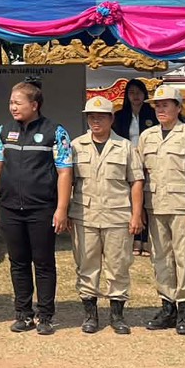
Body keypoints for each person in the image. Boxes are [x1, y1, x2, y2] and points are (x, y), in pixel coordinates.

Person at [0, 81, 72, 335]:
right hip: (10, 208)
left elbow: (64, 172)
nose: (13, 107)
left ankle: (45, 316)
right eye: (11, 102)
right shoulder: (3, 131)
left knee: (43, 263)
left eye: (18, 103)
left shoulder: (55, 132)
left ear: (34, 105)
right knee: (18, 262)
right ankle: (23, 313)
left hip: (42, 208)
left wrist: (62, 208)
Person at [70, 96, 145, 335]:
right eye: (91, 117)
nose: (96, 121)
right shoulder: (75, 146)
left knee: (118, 266)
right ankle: (90, 315)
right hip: (84, 215)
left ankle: (117, 315)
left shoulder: (125, 147)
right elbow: (67, 181)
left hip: (117, 216)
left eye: (101, 117)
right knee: (86, 265)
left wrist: (136, 215)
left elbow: (136, 181)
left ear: (112, 119)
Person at [139, 84, 185, 336]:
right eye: (157, 105)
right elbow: (140, 174)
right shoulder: (147, 137)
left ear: (179, 107)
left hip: (183, 206)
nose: (160, 109)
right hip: (155, 206)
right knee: (161, 257)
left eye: (166, 105)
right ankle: (167, 307)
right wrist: (140, 208)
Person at [114, 79, 155, 254]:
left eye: (138, 92)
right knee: (131, 200)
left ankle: (145, 239)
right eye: (131, 92)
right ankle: (135, 238)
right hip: (127, 161)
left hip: (149, 161)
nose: (135, 96)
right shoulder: (119, 116)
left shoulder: (153, 114)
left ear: (144, 94)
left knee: (147, 200)